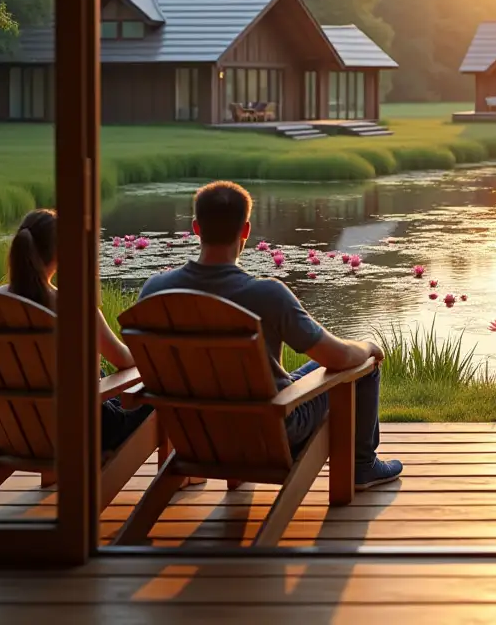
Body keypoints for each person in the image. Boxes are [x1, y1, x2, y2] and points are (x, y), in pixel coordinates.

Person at [138, 181, 402, 489]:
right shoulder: (267, 295)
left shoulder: (154, 291)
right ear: (246, 230)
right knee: (362, 369)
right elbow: (339, 357)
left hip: (194, 437)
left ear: (196, 227)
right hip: (270, 436)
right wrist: (368, 347)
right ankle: (362, 466)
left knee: (291, 376)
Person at [5, 209, 152, 451]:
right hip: (89, 429)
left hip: (21, 426)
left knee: (102, 378)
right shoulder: (74, 305)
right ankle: (182, 480)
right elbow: (125, 361)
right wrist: (153, 361)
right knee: (157, 394)